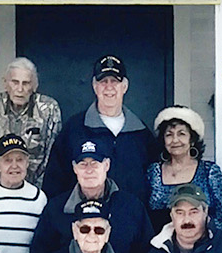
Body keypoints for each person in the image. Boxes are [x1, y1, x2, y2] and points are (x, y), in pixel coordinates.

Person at [29, 135, 149, 253]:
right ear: (74, 168)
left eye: (95, 163)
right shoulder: (56, 208)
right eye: (83, 164)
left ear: (107, 165)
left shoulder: (131, 207)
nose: (89, 170)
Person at [42, 54, 155, 200]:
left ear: (125, 87)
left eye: (115, 81)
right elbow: (55, 180)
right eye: (103, 81)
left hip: (130, 219)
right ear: (95, 87)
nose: (109, 87)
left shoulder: (141, 133)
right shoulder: (74, 128)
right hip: (85, 219)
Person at [146, 106, 222, 234]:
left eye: (182, 134)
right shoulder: (153, 172)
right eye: (169, 134)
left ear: (192, 139)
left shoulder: (209, 172)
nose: (175, 140)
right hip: (162, 247)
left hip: (203, 247)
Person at [0, 57, 62, 181]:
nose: (20, 89)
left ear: (34, 86)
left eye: (26, 83)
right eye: (15, 82)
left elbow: (52, 157)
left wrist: (34, 193)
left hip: (36, 187)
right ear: (5, 83)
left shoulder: (48, 108)